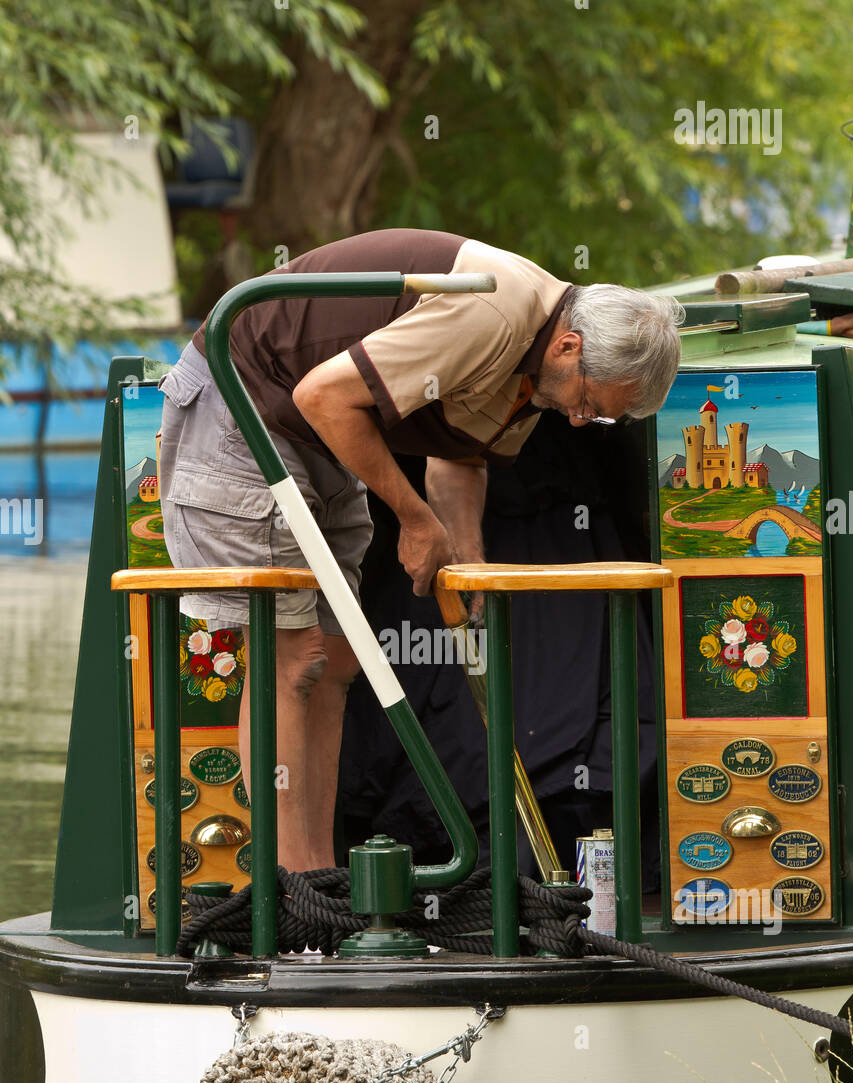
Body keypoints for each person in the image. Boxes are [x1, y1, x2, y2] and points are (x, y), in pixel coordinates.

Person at [158, 228, 684, 871]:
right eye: (587, 403)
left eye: (598, 419)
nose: (578, 423)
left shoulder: (539, 367)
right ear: (570, 346)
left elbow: (458, 459)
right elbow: (321, 396)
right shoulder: (493, 316)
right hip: (244, 404)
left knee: (340, 656)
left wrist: (466, 566)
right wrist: (412, 518)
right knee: (290, 658)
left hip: (311, 434)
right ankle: (290, 889)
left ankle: (317, 874)